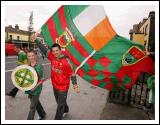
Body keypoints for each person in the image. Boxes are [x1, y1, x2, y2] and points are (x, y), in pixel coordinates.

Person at [31, 35, 80, 120]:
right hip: (55, 85)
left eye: (57, 50)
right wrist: (36, 40)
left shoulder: (66, 61)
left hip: (63, 88)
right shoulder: (52, 57)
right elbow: (44, 49)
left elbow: (72, 73)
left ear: (60, 51)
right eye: (53, 51)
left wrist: (75, 84)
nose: (55, 52)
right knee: (59, 102)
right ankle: (66, 109)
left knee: (59, 106)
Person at [25, 50, 46, 120]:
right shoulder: (27, 66)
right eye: (29, 56)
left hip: (37, 89)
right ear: (27, 57)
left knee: (32, 106)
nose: (31, 57)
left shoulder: (39, 66)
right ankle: (42, 114)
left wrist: (35, 87)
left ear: (35, 56)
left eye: (33, 55)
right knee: (35, 102)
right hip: (29, 89)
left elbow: (42, 79)